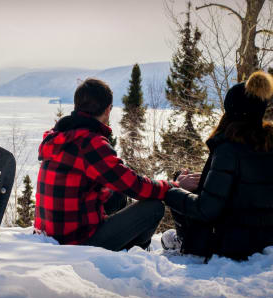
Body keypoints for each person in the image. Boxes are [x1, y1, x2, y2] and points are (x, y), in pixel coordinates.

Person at [34, 78, 199, 251]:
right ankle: (136, 254)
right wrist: (176, 185)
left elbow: (118, 183)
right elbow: (135, 185)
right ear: (107, 110)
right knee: (153, 208)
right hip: (76, 242)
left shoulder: (60, 135)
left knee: (117, 195)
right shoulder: (90, 143)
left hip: (50, 234)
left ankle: (128, 247)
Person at [162, 70, 273, 261]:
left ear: (231, 109)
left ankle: (184, 241)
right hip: (265, 236)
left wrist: (172, 189)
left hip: (230, 242)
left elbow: (207, 209)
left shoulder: (228, 149)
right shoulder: (268, 143)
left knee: (180, 179)